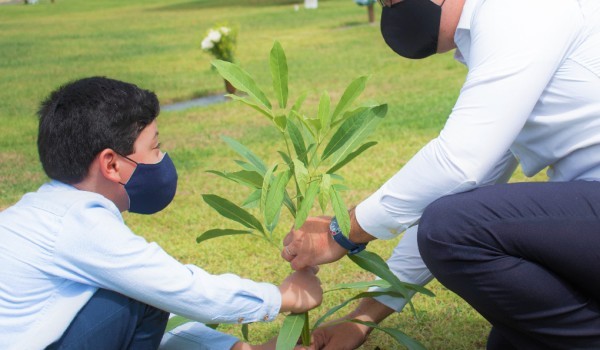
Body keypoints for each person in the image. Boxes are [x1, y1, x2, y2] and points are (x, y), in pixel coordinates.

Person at [281, 0, 600, 348]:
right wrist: (362, 318)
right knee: (513, 337)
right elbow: (467, 181)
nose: (389, 7)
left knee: (451, 226)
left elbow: (459, 163)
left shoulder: (519, 9)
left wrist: (341, 232)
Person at [0, 76, 323, 350]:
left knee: (134, 294)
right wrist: (280, 297)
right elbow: (178, 290)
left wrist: (229, 347)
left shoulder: (42, 211)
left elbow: (150, 305)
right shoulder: (79, 224)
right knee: (139, 295)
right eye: (154, 147)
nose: (162, 158)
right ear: (112, 164)